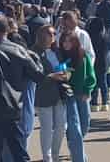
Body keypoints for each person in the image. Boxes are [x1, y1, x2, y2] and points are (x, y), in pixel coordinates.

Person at [0, 14, 61, 162]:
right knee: (19, 154)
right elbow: (38, 75)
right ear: (7, 30)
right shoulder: (18, 51)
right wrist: (35, 58)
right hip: (12, 110)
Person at [33, 25, 68, 162]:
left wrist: (66, 74)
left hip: (60, 93)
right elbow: (35, 74)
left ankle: (55, 155)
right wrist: (52, 76)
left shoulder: (57, 51)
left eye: (54, 34)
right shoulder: (34, 52)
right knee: (47, 127)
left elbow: (64, 66)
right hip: (44, 93)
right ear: (42, 35)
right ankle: (47, 158)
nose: (54, 36)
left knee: (61, 126)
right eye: (51, 34)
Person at [60, 30, 95, 162]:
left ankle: (74, 145)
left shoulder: (83, 55)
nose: (66, 44)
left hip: (82, 94)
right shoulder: (61, 56)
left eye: (69, 41)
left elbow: (91, 75)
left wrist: (88, 90)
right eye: (64, 41)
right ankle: (79, 158)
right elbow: (59, 73)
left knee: (85, 124)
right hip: (69, 94)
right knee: (74, 127)